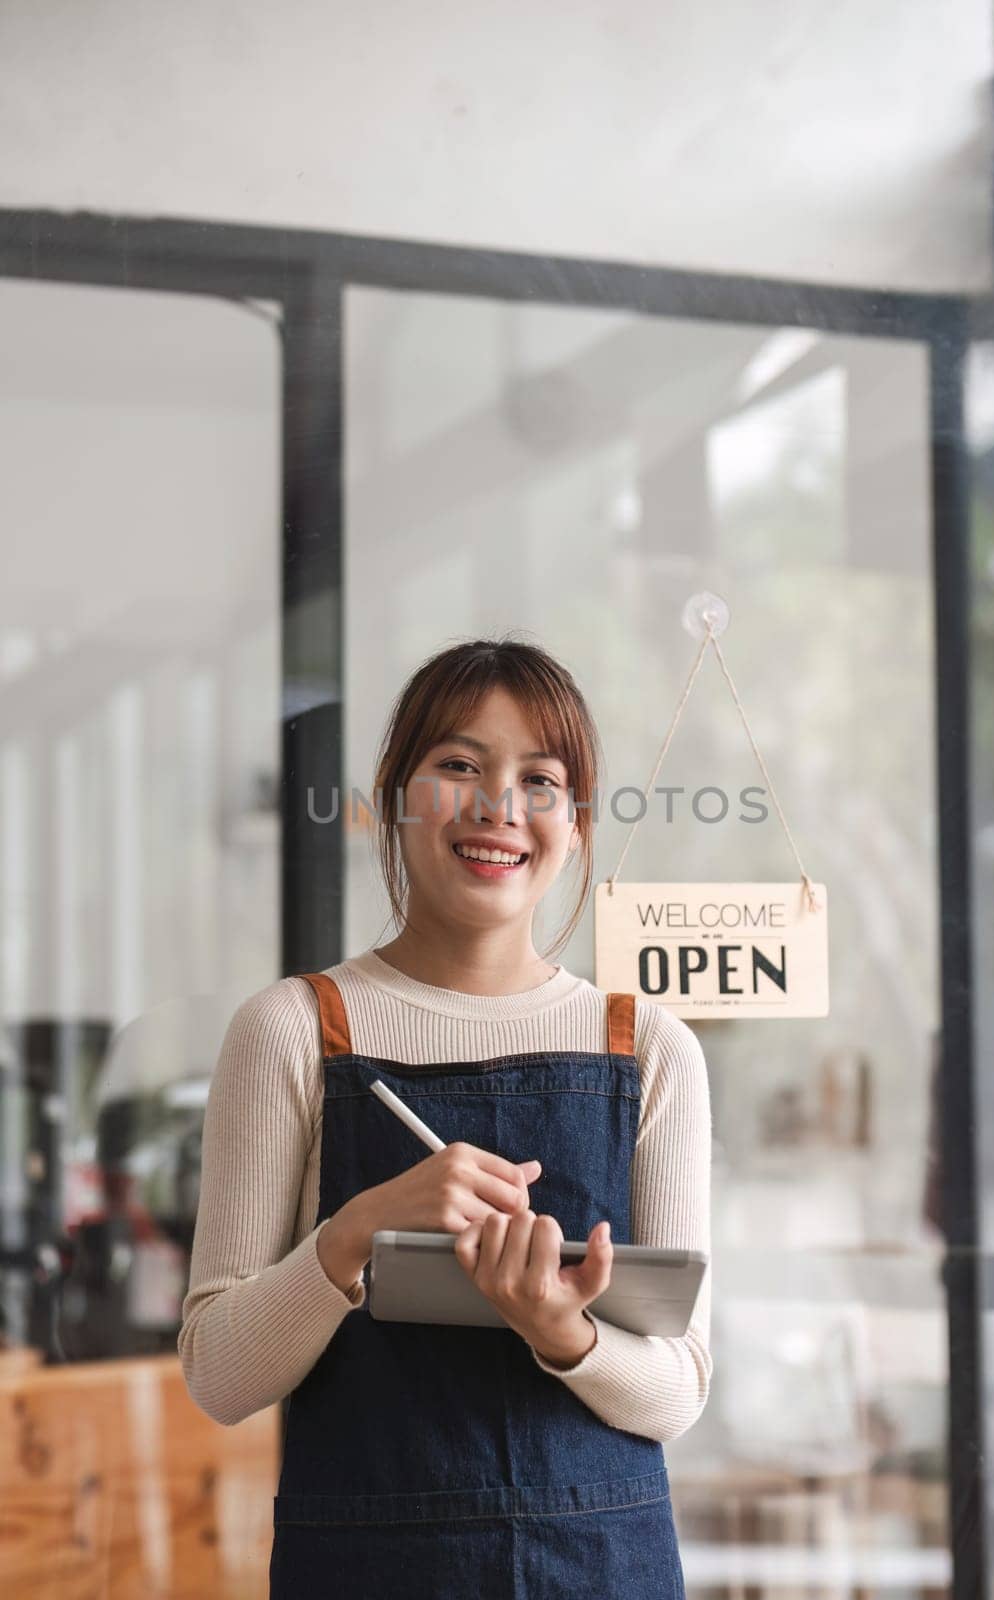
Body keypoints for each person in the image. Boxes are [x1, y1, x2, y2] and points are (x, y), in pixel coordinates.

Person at [178, 635, 713, 1599]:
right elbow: (219, 1377)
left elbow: (679, 1393)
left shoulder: (650, 1048)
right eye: (458, 765)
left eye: (539, 780)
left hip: (601, 1570)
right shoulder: (292, 1031)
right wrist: (351, 1235)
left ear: (578, 824)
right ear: (392, 798)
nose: (497, 807)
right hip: (363, 1569)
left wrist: (565, 1335)